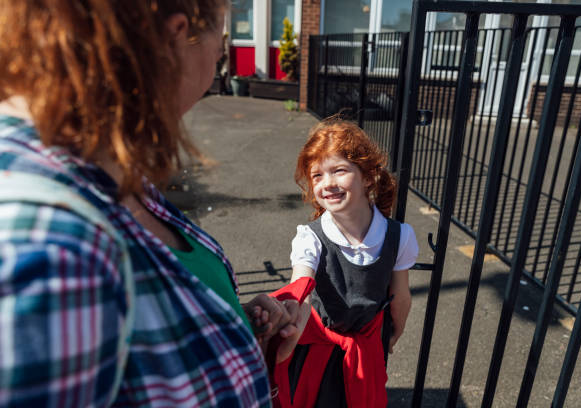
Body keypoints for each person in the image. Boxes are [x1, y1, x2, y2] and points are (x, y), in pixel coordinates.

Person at [0, 1, 300, 406]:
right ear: (174, 36)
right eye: (220, 43)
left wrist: (232, 324)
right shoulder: (47, 253)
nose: (218, 58)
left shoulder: (106, 170)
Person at [276, 119, 419, 408]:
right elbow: (299, 293)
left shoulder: (399, 235)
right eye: (317, 175)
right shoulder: (310, 238)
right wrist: (286, 333)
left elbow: (401, 298)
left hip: (366, 352)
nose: (327, 183)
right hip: (316, 354)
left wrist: (390, 338)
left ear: (368, 177)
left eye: (339, 170)